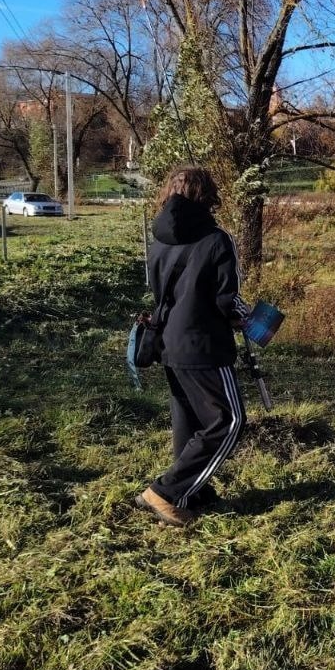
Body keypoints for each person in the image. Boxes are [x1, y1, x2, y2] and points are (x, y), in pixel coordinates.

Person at [135, 166, 249, 528]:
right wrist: (247, 316)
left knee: (189, 417)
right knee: (229, 420)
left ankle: (192, 492)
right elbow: (226, 300)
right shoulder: (218, 240)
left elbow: (160, 291)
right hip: (204, 345)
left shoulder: (158, 239)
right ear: (208, 196)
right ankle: (167, 493)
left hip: (167, 339)